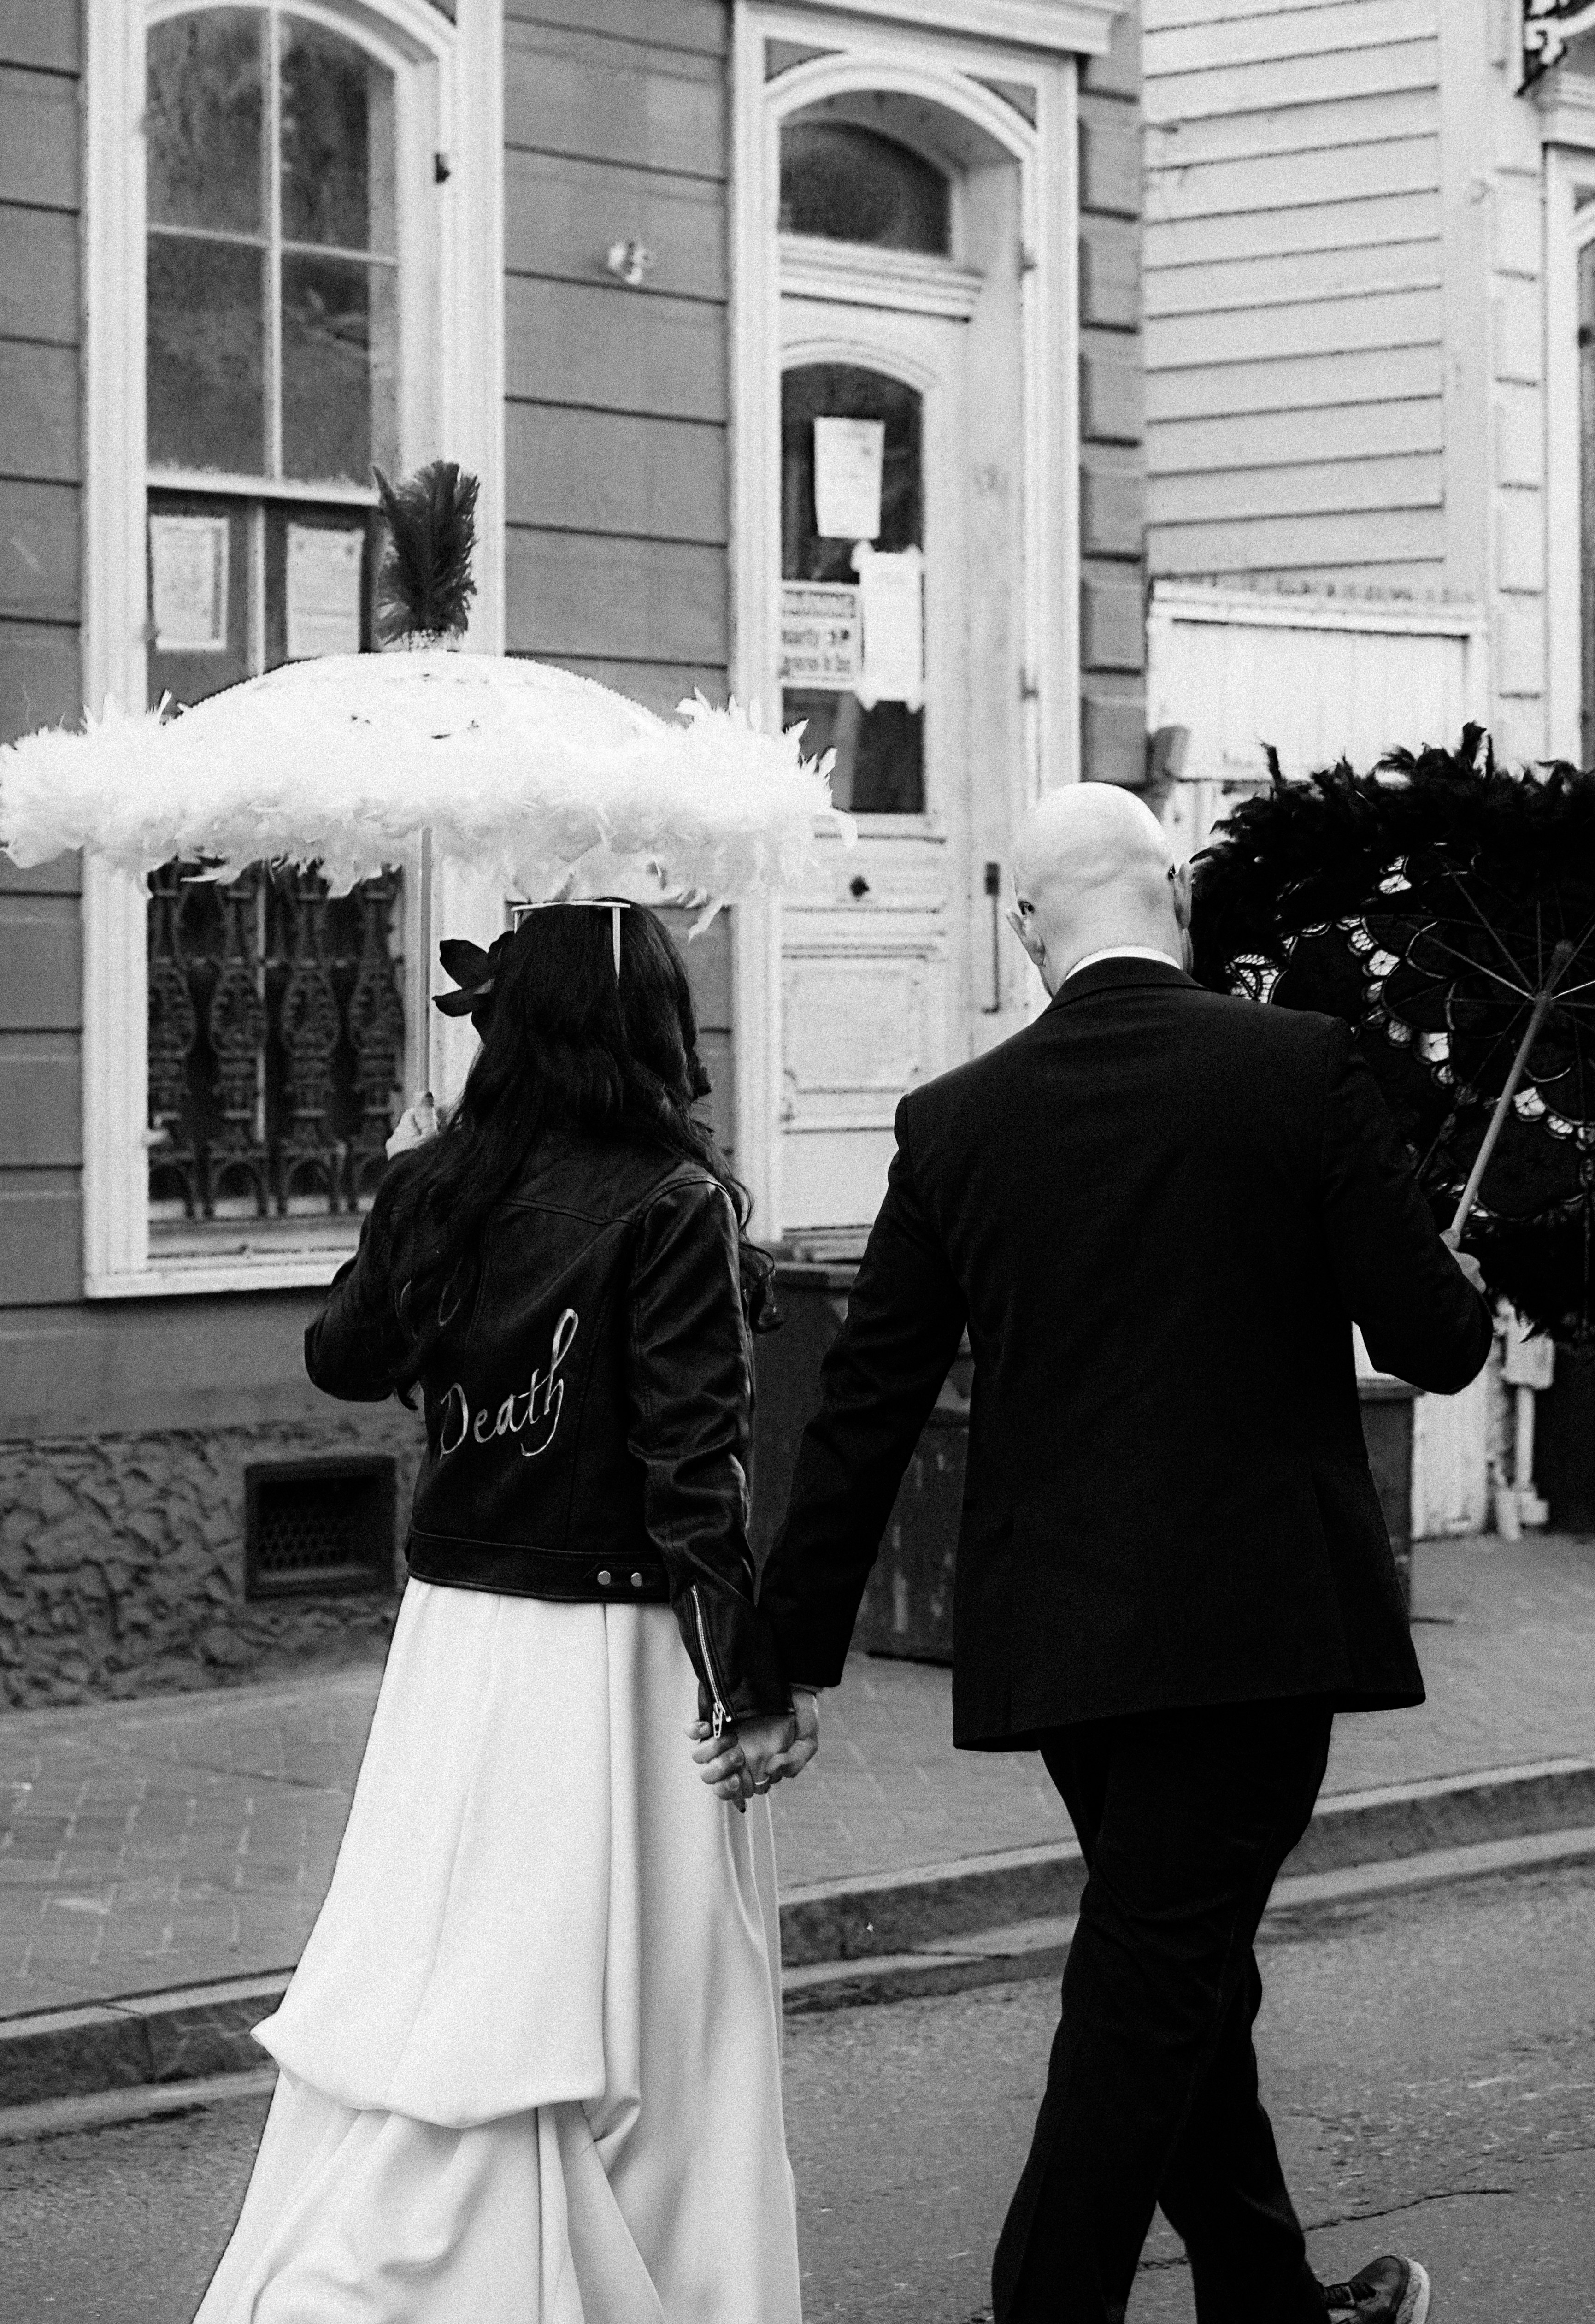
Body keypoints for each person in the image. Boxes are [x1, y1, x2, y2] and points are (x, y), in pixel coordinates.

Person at [756, 783, 1492, 2324]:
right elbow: (1429, 1339)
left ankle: (1269, 2300)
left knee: (1180, 1962)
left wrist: (783, 1656)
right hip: (1258, 1625)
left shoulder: (956, 1120)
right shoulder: (1294, 1068)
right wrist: (1452, 1273)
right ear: (1171, 894)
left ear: (1029, 922)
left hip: (1068, 1642)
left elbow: (863, 1406)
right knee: (1159, 1971)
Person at [193, 901, 806, 2324]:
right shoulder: (673, 1199)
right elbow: (693, 1463)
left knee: (454, 1971)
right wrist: (742, 1680)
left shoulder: (449, 1186)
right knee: (657, 2007)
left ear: (507, 1028)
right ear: (655, 1026)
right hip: (615, 1653)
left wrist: (405, 1186)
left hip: (458, 1646)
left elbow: (344, 1354)